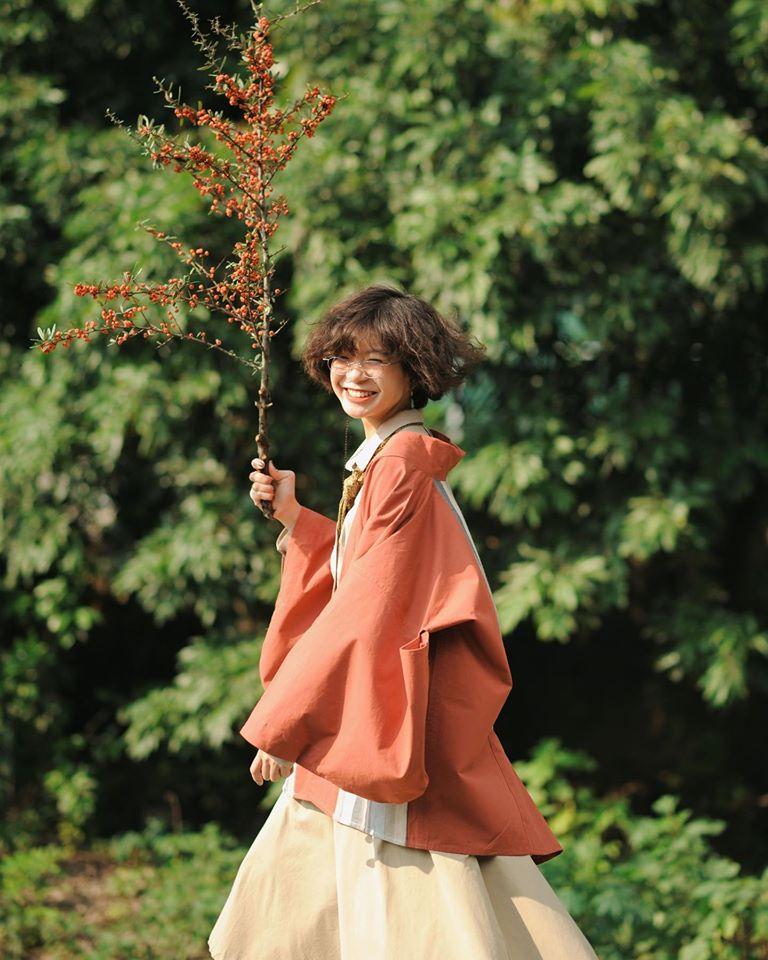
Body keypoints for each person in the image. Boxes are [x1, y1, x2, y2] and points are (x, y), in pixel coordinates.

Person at [208, 283, 600, 959]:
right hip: (383, 706)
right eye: (343, 356)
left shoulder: (399, 468)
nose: (354, 374)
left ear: (413, 370)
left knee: (400, 903)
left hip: (384, 716)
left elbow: (368, 607)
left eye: (377, 359)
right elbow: (363, 578)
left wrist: (287, 721)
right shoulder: (393, 462)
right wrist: (297, 520)